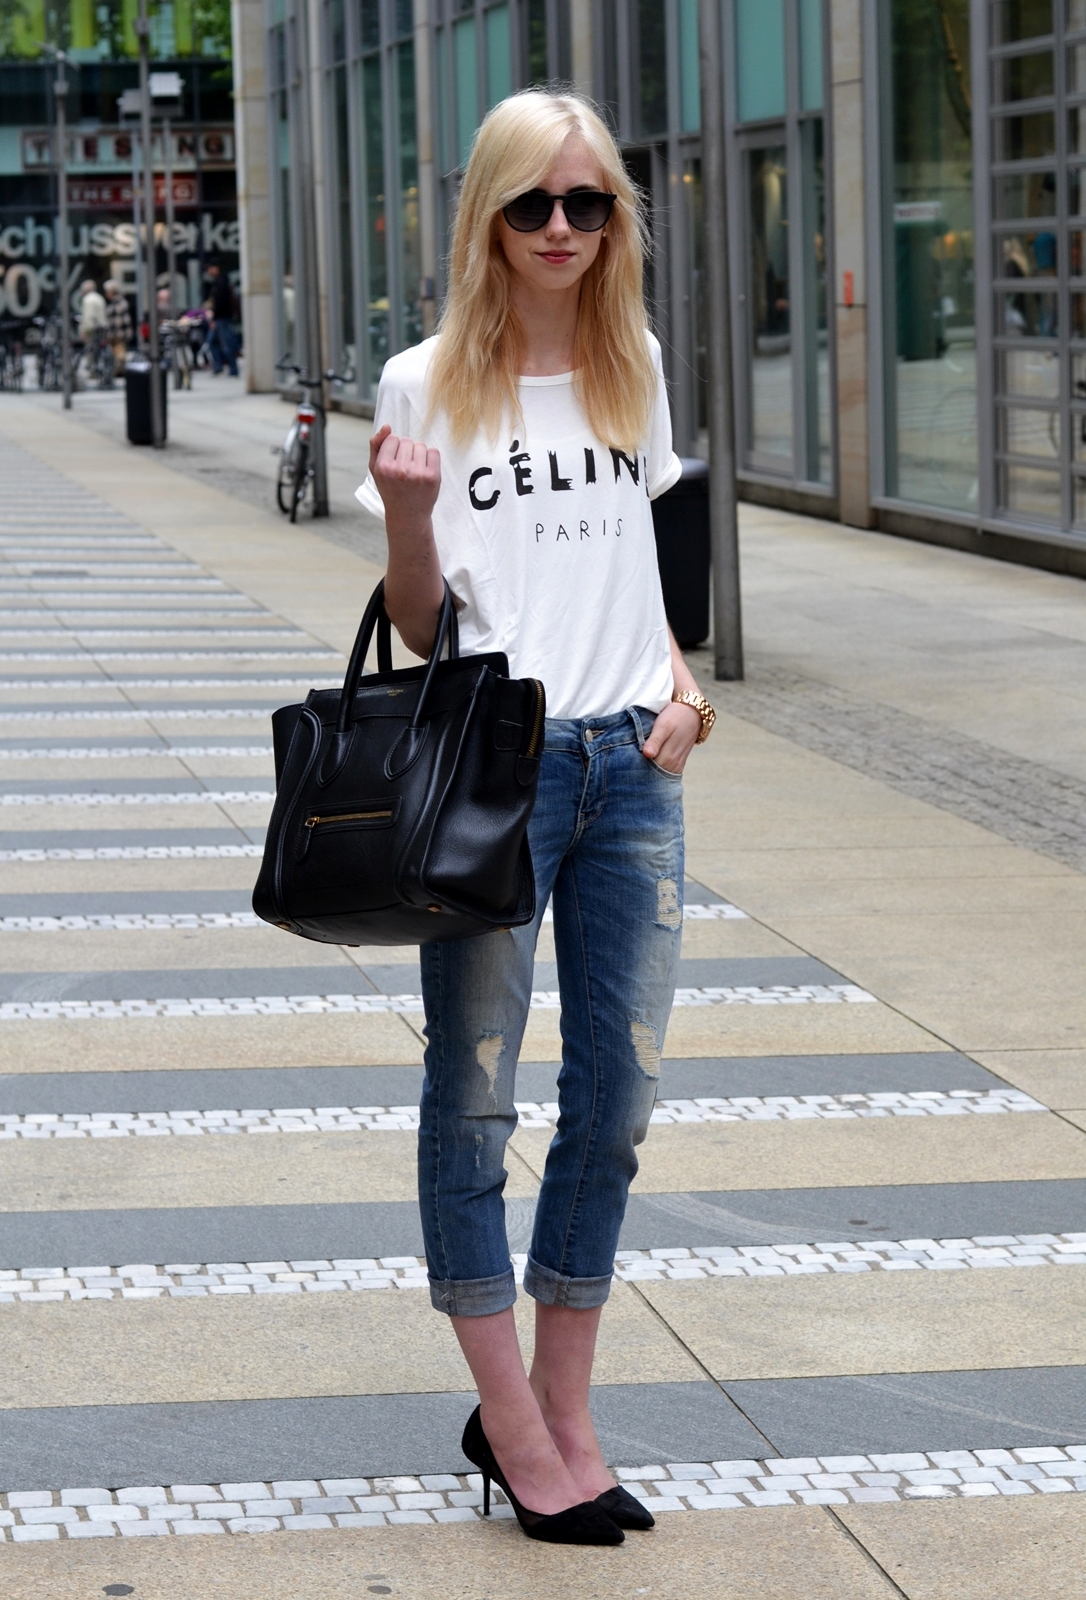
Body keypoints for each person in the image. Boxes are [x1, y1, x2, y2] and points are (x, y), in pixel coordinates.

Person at [356, 89, 716, 1547]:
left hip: (635, 768)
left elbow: (644, 572)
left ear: (615, 219)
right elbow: (420, 620)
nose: (561, 228)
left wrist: (684, 691)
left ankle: (569, 1416)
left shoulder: (635, 366)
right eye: (532, 204)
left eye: (588, 203)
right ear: (487, 218)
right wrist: (402, 517)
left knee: (616, 1104)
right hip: (498, 770)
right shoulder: (423, 381)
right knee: (475, 1094)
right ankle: (510, 1424)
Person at [205, 262, 239, 376]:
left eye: (210, 268)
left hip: (222, 317)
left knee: (226, 344)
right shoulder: (219, 281)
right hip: (220, 317)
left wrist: (214, 318)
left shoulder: (222, 282)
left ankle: (233, 368)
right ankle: (219, 365)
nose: (209, 272)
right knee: (212, 342)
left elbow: (220, 303)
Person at [103, 280, 132, 382]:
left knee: (120, 356)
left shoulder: (118, 303)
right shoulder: (117, 302)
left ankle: (119, 373)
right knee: (117, 355)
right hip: (116, 334)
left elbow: (120, 321)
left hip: (118, 334)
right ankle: (118, 373)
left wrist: (113, 334)